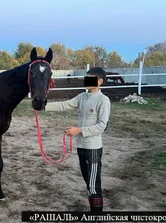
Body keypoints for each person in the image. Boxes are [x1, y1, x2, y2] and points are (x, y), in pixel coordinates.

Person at [45, 67, 111, 213]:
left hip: (93, 148)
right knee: (88, 181)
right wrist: (43, 106)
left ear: (100, 81)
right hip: (81, 146)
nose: (86, 80)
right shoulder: (82, 97)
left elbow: (102, 126)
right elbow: (64, 105)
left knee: (94, 184)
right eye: (86, 77)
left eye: (91, 78)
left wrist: (79, 130)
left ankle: (96, 216)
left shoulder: (103, 100)